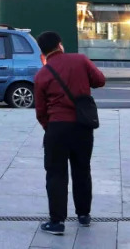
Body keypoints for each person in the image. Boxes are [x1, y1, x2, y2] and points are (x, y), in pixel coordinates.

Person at [34, 31, 106, 236]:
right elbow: (100, 80)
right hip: (83, 126)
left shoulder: (42, 74)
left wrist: (50, 127)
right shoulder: (80, 60)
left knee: (56, 173)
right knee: (82, 169)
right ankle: (84, 215)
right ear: (60, 45)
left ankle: (57, 222)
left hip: (57, 128)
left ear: (43, 51)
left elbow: (40, 111)